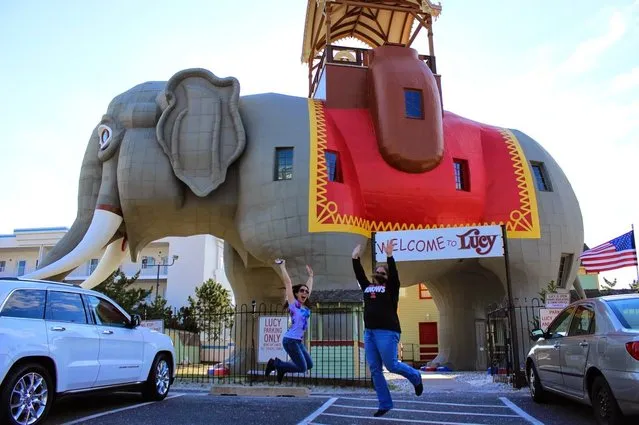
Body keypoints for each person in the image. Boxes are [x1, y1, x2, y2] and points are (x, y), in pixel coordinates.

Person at [352, 240, 423, 417]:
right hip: (369, 332)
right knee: (375, 369)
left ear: (387, 276)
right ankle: (384, 404)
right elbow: (360, 274)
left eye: (382, 272)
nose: (379, 273)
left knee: (391, 365)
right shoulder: (368, 287)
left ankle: (415, 377)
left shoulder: (391, 288)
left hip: (388, 331)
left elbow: (394, 276)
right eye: (377, 272)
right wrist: (354, 258)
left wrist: (390, 256)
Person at [264, 258, 314, 383]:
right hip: (290, 340)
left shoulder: (305, 306)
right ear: (296, 294)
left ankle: (282, 368)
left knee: (309, 365)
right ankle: (276, 364)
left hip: (298, 342)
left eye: (306, 292)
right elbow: (288, 283)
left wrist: (311, 276)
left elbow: (309, 289)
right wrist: (282, 266)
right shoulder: (294, 305)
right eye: (302, 291)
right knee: (302, 368)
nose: (305, 293)